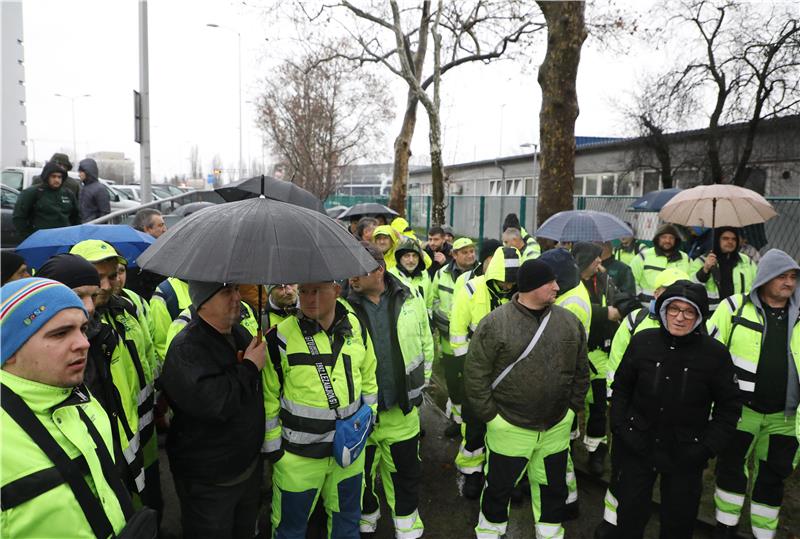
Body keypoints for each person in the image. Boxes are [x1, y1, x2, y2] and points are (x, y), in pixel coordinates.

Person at [466, 260, 589, 539]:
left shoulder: (569, 322)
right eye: (550, 283)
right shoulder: (496, 323)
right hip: (508, 425)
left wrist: (572, 410)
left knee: (552, 489)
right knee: (499, 488)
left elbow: (581, 370)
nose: (557, 287)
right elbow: (475, 375)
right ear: (531, 286)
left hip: (555, 426)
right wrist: (492, 418)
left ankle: (550, 534)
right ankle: (489, 533)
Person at [0, 278, 130, 537]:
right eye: (60, 333)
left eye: (82, 329)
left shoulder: (82, 399)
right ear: (10, 349)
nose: (83, 343)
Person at [610, 281, 741, 539]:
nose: (679, 318)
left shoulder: (715, 355)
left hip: (686, 453)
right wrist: (622, 429)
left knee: (678, 523)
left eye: (688, 311)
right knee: (629, 516)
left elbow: (729, 407)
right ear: (663, 310)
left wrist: (705, 448)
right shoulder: (642, 342)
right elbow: (621, 389)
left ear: (699, 316)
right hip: (638, 445)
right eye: (673, 309)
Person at [261, 280, 378, 538]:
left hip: (348, 455)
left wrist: (368, 424)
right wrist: (275, 452)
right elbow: (269, 396)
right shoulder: (279, 337)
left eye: (317, 291)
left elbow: (369, 376)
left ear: (336, 291)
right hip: (297, 458)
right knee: (289, 530)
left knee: (346, 525)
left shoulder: (356, 326)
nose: (308, 298)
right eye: (304, 291)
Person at [160, 281, 266, 539]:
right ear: (203, 302)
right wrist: (250, 367)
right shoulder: (187, 348)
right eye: (227, 292)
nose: (237, 297)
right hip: (209, 482)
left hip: (247, 469)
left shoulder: (239, 333)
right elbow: (215, 403)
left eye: (236, 290)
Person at [707, 249, 800, 539]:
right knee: (730, 468)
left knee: (773, 476)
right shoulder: (732, 307)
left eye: (793, 277)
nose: (789, 283)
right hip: (740, 412)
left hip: (784, 418)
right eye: (782, 276)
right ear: (765, 278)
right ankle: (725, 526)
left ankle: (764, 533)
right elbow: (709, 354)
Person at [596, 267, 691, 538]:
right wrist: (617, 407)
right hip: (632, 416)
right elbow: (616, 363)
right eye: (667, 292)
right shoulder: (636, 320)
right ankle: (611, 521)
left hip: (671, 422)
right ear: (657, 292)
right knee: (622, 471)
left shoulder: (690, 326)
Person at [347, 242, 434, 538]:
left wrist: (418, 387)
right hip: (360, 416)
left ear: (379, 270)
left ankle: (407, 528)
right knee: (359, 476)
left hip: (402, 411)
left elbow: (426, 346)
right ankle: (368, 516)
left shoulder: (410, 298)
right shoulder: (342, 307)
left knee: (405, 475)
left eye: (358, 271)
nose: (352, 278)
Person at [69, 240, 160, 510]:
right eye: (98, 278)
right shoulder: (76, 327)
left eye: (113, 275)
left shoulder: (129, 308)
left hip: (145, 432)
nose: (108, 285)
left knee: (152, 502)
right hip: (109, 445)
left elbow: (147, 356)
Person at [449, 245, 521, 499]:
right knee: (475, 425)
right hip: (476, 372)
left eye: (512, 282)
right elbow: (457, 333)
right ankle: (472, 473)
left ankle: (504, 478)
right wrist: (468, 371)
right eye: (503, 281)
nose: (506, 286)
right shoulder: (470, 289)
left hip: (509, 376)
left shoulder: (521, 294)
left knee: (508, 428)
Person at [572, 242, 638, 476]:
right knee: (570, 405)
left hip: (599, 352)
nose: (601, 262)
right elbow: (569, 309)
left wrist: (618, 307)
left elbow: (624, 299)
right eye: (596, 259)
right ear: (585, 262)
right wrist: (603, 314)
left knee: (598, 405)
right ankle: (568, 445)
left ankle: (596, 451)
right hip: (574, 353)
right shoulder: (568, 282)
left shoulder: (604, 280)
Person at [432, 237, 478, 436]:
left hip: (473, 345)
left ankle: (470, 425)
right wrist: (442, 321)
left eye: (471, 251)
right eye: (464, 252)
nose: (469, 255)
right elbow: (433, 300)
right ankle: (458, 422)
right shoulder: (441, 274)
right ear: (455, 255)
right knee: (453, 384)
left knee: (471, 386)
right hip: (448, 343)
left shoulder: (481, 276)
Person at [690, 226, 757, 311]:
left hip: (741, 311)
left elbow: (757, 284)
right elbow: (692, 287)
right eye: (725, 238)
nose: (730, 242)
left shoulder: (747, 261)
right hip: (711, 313)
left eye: (734, 239)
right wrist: (705, 270)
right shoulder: (702, 261)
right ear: (717, 240)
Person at [12, 161, 80, 239]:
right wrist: (29, 236)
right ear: (46, 177)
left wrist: (75, 234)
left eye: (59, 177)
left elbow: (76, 217)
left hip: (64, 239)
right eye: (53, 176)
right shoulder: (33, 192)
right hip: (40, 240)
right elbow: (18, 217)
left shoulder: (68, 194)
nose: (57, 180)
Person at [629, 224, 690, 305]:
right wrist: (639, 298)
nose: (667, 241)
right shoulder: (643, 256)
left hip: (674, 308)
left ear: (676, 240)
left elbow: (690, 282)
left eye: (671, 238)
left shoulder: (685, 258)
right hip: (646, 306)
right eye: (664, 237)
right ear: (657, 239)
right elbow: (631, 279)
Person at [391, 238, 433, 314]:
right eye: (407, 256)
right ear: (399, 258)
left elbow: (429, 305)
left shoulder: (425, 275)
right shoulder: (390, 276)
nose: (411, 260)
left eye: (415, 256)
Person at [77, 158, 110, 222]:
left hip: (93, 228)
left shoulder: (100, 189)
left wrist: (95, 226)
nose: (79, 175)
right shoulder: (83, 187)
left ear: (87, 172)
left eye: (81, 172)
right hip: (82, 228)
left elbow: (105, 214)